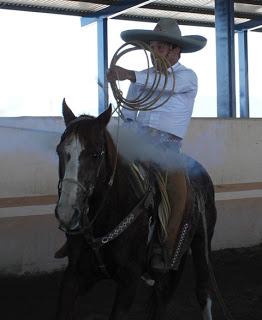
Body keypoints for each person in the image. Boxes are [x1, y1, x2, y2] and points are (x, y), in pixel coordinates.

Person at [107, 18, 207, 272]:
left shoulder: (187, 77)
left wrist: (129, 75)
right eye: (152, 48)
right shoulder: (142, 78)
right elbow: (128, 116)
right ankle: (87, 236)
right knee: (101, 174)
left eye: (160, 48)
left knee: (178, 194)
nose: (154, 53)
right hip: (138, 147)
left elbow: (162, 85)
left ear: (176, 51)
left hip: (167, 152)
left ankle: (164, 248)